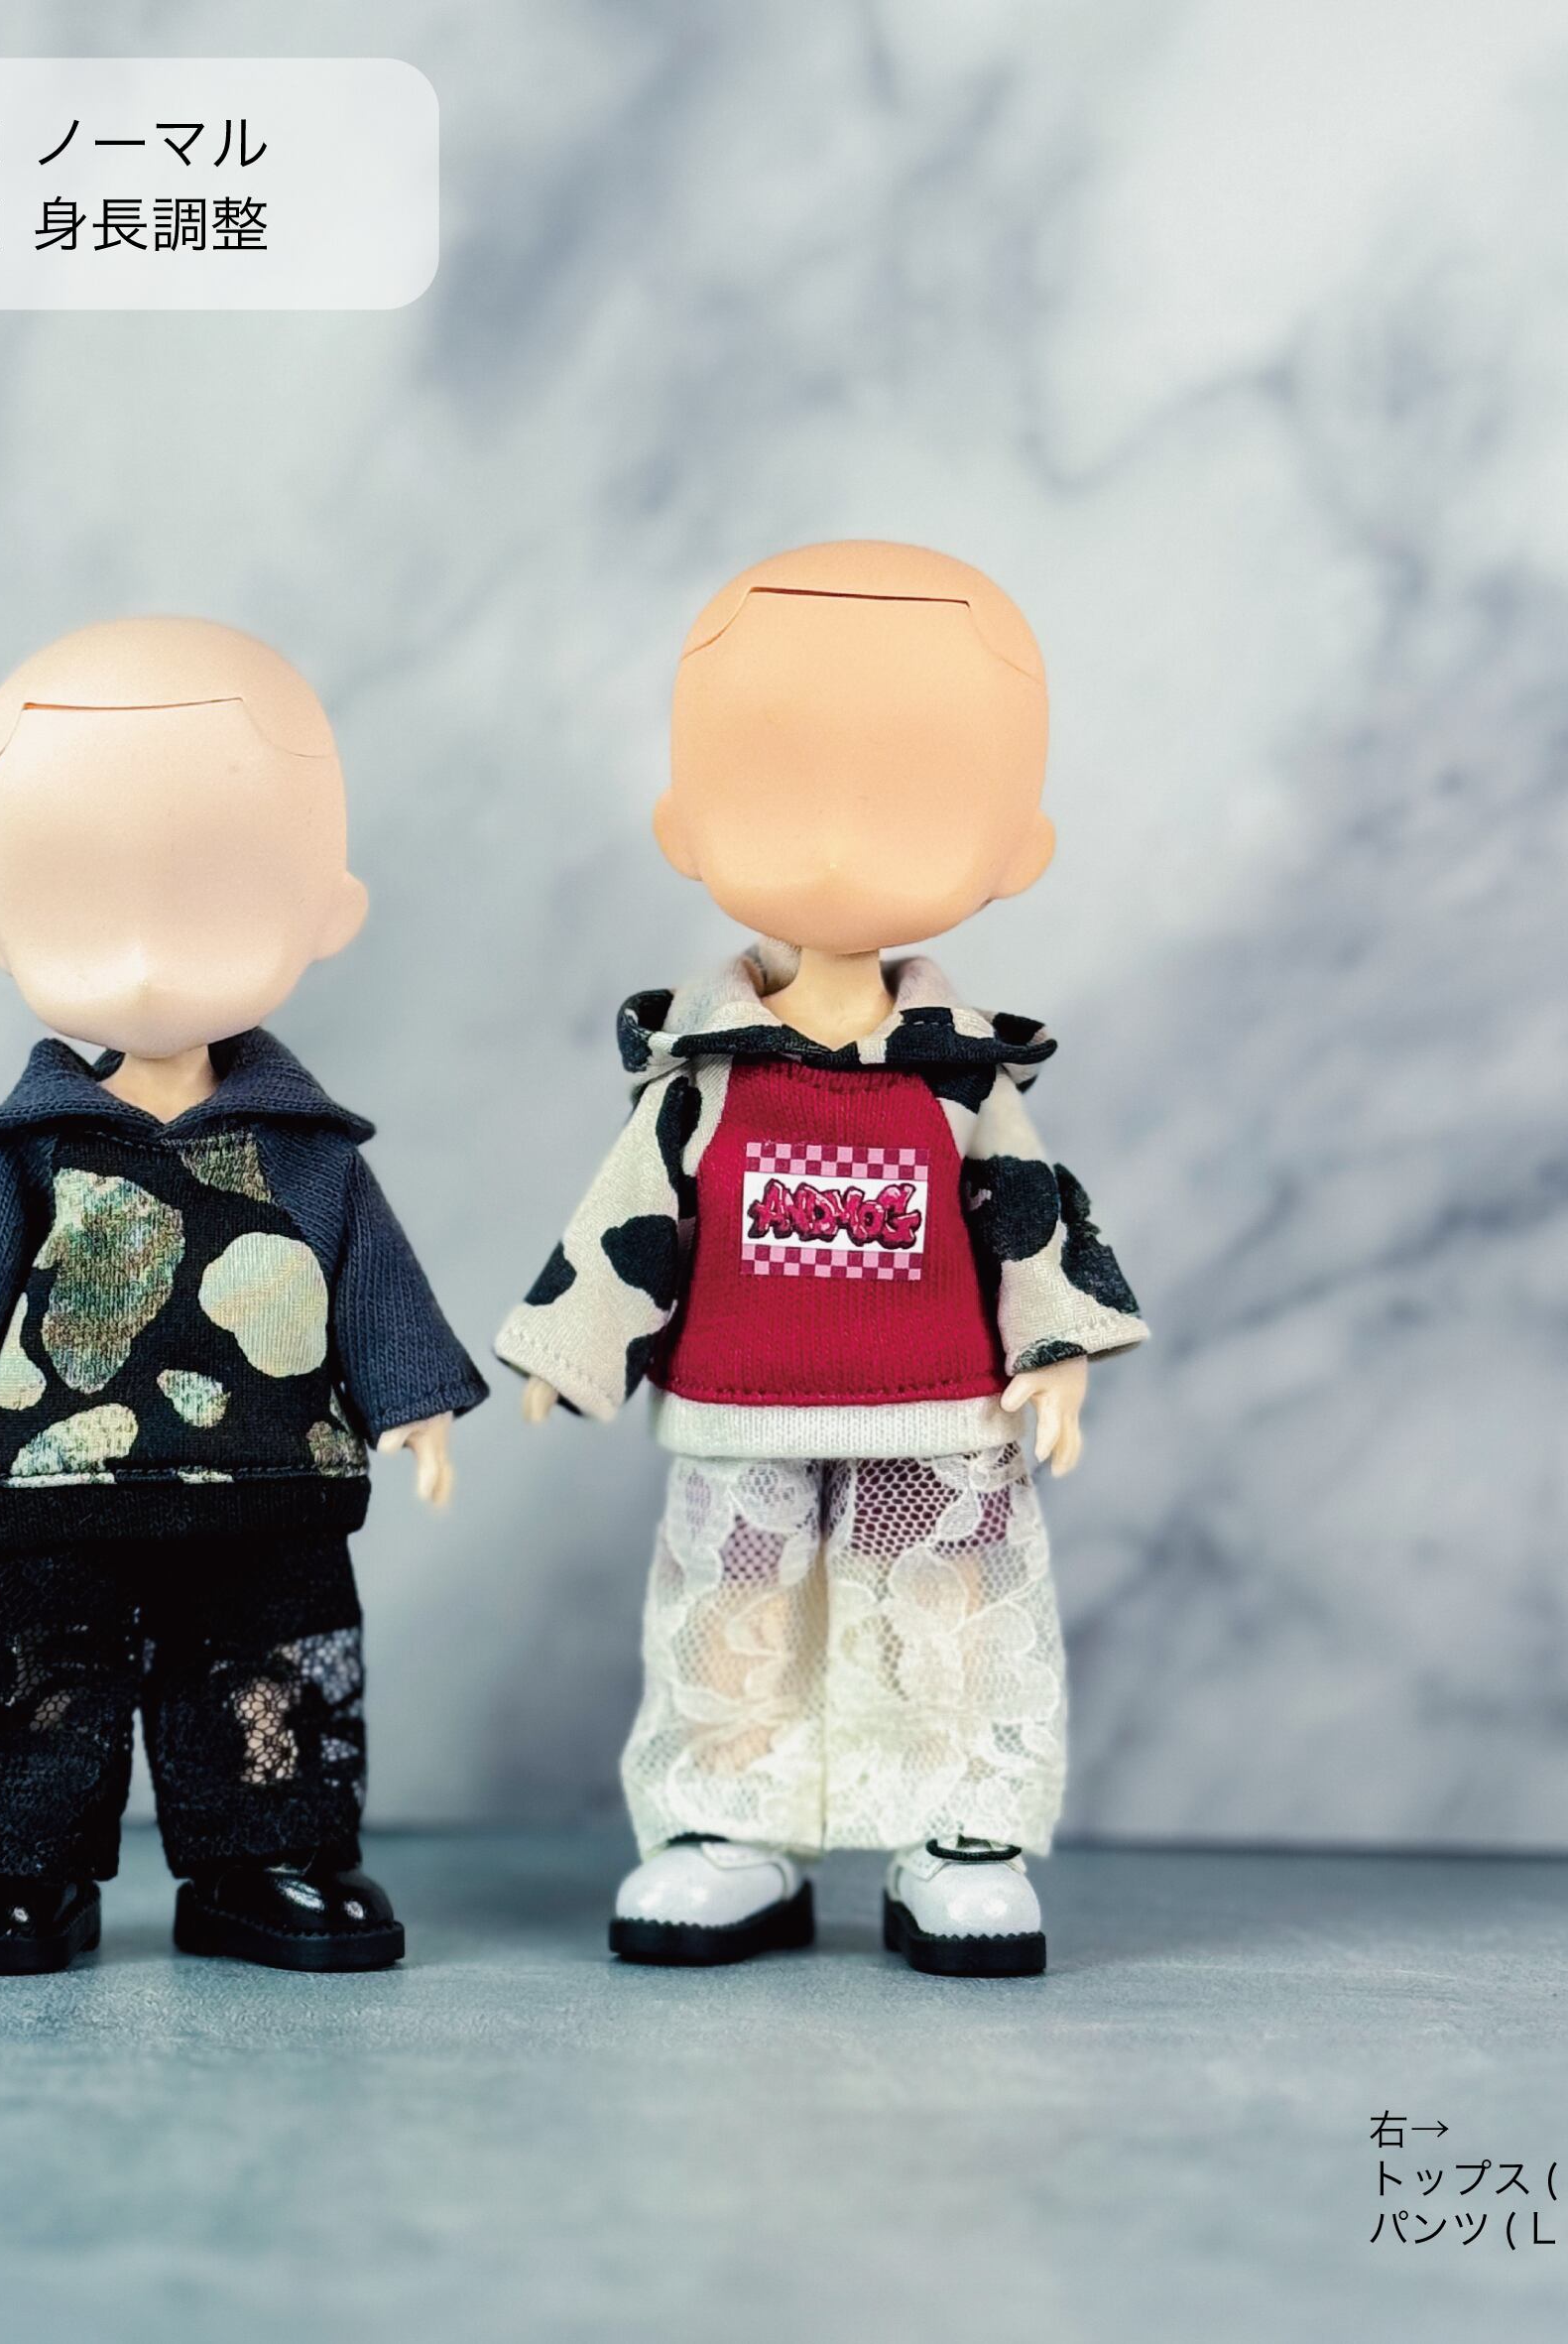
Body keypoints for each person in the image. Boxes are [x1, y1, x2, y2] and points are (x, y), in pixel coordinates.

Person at [496, 543, 1146, 1975]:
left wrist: (1056, 1350)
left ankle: (962, 1833)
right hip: (742, 1399)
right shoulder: (706, 1072)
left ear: (1015, 847)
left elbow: (1027, 1210)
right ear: (685, 820)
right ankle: (727, 1826)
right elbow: (636, 1214)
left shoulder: (962, 1080)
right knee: (735, 1607)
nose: (841, 840)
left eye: (914, 792)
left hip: (941, 1409)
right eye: (779, 779)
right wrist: (575, 1343)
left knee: (951, 1609)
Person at [0, 617, 486, 1975]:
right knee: (33, 1671)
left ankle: (270, 1858)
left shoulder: (306, 1153)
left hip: (272, 1478)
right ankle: (15, 1867)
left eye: (214, 894)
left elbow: (375, 1282)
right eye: (78, 902)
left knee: (274, 1672)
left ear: (327, 910)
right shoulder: (34, 1155)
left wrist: (414, 1403)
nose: (144, 955)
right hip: (54, 1484)